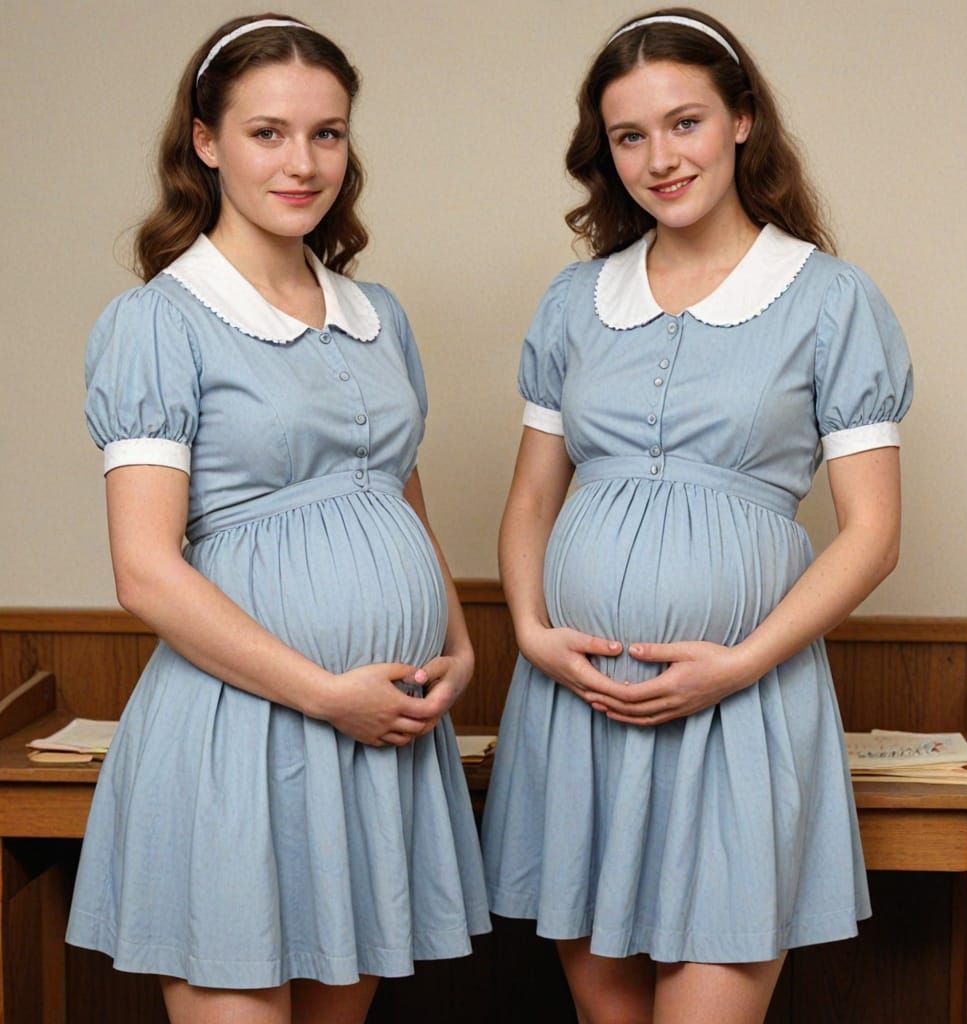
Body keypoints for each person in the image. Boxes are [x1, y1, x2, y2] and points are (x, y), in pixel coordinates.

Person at [481, 8, 911, 1023]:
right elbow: (531, 498)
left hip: (737, 707)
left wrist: (739, 664)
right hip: (580, 706)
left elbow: (873, 534)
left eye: (685, 123)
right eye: (630, 136)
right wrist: (534, 635)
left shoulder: (829, 300)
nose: (660, 158)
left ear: (742, 120)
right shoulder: (575, 301)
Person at [66, 15, 489, 1024]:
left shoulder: (378, 316)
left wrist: (461, 644)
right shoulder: (157, 323)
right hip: (243, 736)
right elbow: (145, 572)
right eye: (268, 133)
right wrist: (327, 695)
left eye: (326, 133)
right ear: (205, 142)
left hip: (376, 743)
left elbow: (399, 495)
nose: (303, 164)